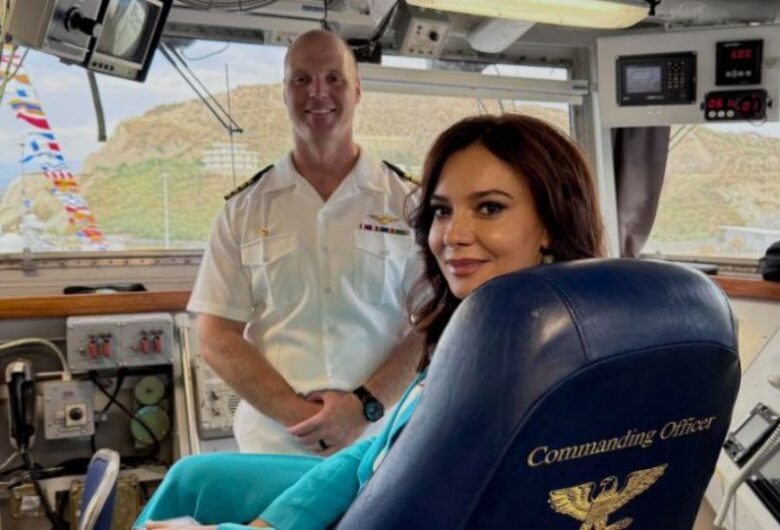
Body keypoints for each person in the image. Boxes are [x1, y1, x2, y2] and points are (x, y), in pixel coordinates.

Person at [137, 113, 605, 530]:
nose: (452, 235)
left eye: (489, 208)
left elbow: (423, 502)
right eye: (442, 211)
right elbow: (382, 458)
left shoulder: (526, 353)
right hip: (379, 469)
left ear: (551, 220)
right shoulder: (483, 325)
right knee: (194, 478)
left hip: (403, 500)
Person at [187, 29, 423, 455]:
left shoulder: (408, 204)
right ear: (284, 92)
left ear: (357, 90)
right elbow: (215, 333)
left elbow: (435, 323)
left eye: (333, 78)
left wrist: (364, 408)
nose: (317, 92)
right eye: (301, 79)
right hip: (274, 442)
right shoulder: (243, 210)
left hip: (381, 442)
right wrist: (296, 415)